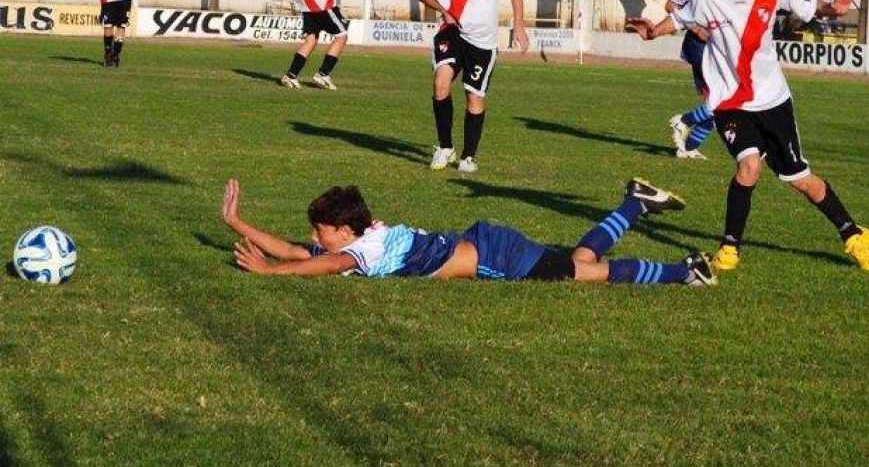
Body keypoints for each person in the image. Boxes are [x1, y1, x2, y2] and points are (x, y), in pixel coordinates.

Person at [627, 0, 869, 272]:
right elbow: (681, 20)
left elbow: (810, 7)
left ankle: (853, 232)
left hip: (772, 101)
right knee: (748, 167)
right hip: (730, 102)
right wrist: (653, 31)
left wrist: (832, 9)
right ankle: (730, 246)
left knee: (801, 180)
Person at [220, 177, 717, 286]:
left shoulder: (360, 249)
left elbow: (325, 263)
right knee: (580, 262)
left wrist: (268, 273)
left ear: (345, 231)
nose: (316, 237)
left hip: (496, 255)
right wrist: (238, 223)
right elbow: (296, 250)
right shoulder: (360, 236)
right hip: (488, 242)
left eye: (322, 230)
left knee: (590, 274)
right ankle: (634, 203)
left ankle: (685, 271)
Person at [416, 0, 530, 173]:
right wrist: (443, 10)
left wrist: (520, 25)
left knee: (473, 97)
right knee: (440, 83)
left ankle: (468, 156)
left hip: (482, 39)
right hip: (452, 32)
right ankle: (445, 148)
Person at [665, 0, 716, 160]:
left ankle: (689, 147)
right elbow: (670, 6)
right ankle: (684, 121)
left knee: (716, 105)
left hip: (715, 46)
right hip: (699, 45)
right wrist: (696, 27)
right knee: (725, 98)